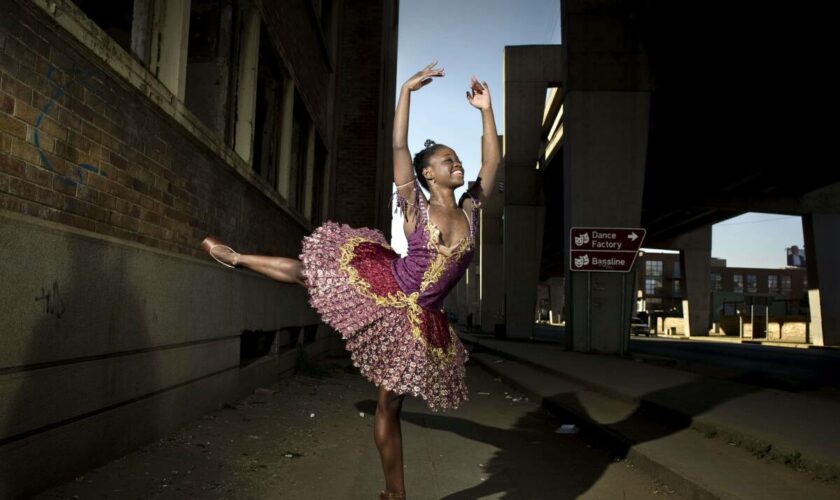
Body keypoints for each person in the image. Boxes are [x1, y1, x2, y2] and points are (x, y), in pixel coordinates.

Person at [199, 60, 500, 500]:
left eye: (457, 160)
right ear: (429, 174)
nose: (458, 165)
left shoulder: (471, 210)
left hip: (421, 321)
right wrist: (406, 92)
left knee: (389, 404)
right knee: (311, 274)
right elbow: (398, 145)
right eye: (447, 160)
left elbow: (493, 160)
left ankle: (392, 493)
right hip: (386, 285)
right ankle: (238, 257)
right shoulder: (415, 205)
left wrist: (486, 110)